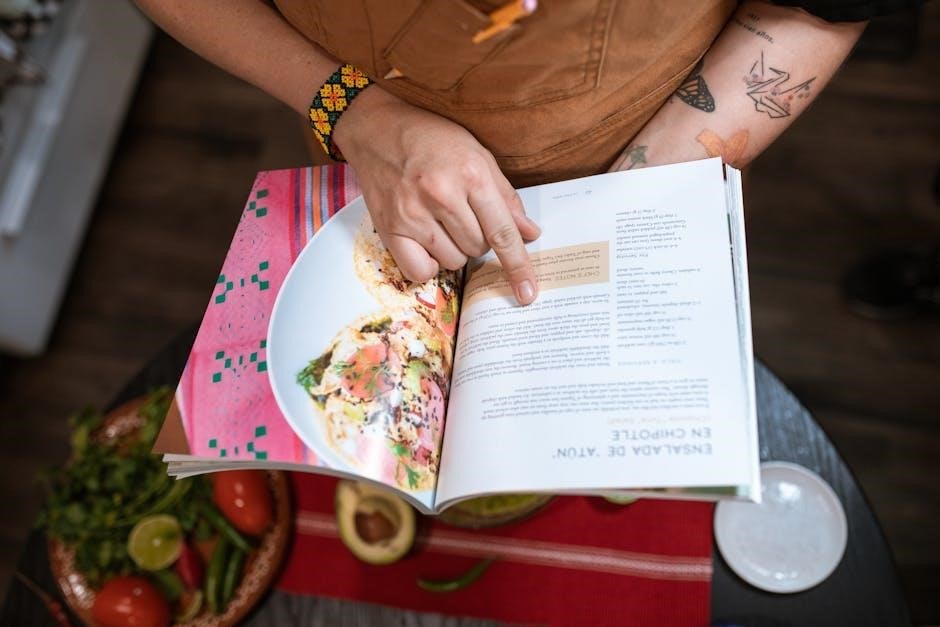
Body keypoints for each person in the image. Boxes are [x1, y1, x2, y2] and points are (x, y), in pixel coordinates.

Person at [133, 0, 910, 305]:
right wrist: (350, 111)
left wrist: (630, 203)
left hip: (616, 166)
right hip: (350, 136)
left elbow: (822, 7)